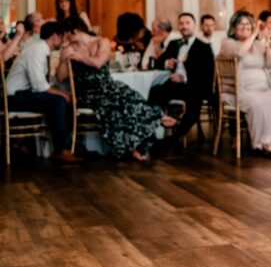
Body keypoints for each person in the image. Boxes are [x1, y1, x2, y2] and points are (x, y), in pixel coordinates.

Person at [56, 17, 169, 162]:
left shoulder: (101, 41)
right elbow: (60, 77)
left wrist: (79, 57)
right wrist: (64, 59)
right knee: (116, 103)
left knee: (130, 96)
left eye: (66, 34)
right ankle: (154, 120)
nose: (65, 39)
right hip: (87, 93)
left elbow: (98, 63)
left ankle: (137, 142)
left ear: (74, 31)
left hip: (108, 86)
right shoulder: (69, 49)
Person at [5, 21, 79, 163]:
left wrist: (63, 93)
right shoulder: (37, 50)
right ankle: (60, 150)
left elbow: (43, 84)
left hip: (25, 93)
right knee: (59, 101)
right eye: (61, 36)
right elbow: (39, 85)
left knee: (65, 98)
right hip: (14, 97)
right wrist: (62, 94)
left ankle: (69, 146)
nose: (63, 40)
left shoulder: (41, 49)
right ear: (55, 37)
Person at [218, 10, 271, 156]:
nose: (245, 27)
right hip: (240, 90)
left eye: (248, 24)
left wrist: (266, 42)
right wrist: (255, 34)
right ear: (233, 27)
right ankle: (257, 144)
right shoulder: (228, 43)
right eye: (241, 24)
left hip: (262, 89)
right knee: (257, 105)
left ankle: (267, 141)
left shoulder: (257, 45)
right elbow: (240, 52)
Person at [147, 12, 214, 141]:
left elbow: (207, 73)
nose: (184, 26)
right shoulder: (174, 43)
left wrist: (185, 78)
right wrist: (167, 63)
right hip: (174, 85)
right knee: (153, 91)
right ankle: (160, 120)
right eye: (181, 23)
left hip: (193, 86)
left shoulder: (204, 47)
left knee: (194, 100)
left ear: (195, 26)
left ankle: (176, 136)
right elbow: (158, 62)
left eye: (188, 23)